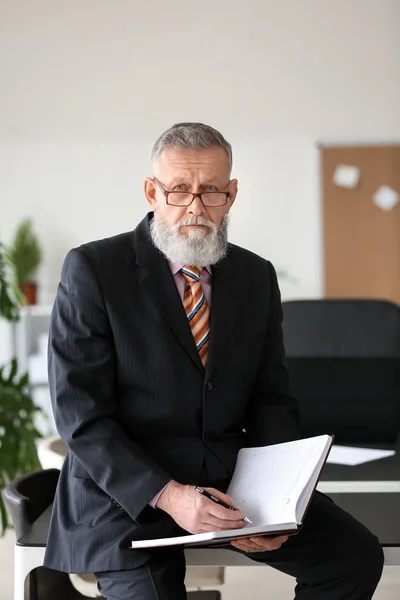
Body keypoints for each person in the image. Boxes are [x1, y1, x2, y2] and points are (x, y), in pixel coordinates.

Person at [44, 122, 384, 599]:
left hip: (231, 488)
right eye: (179, 190)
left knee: (354, 558)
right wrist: (169, 495)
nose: (195, 207)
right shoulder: (94, 270)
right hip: (125, 496)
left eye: (211, 191)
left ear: (232, 193)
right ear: (151, 191)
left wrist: (272, 501)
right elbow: (80, 417)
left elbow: (271, 400)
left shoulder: (255, 276)